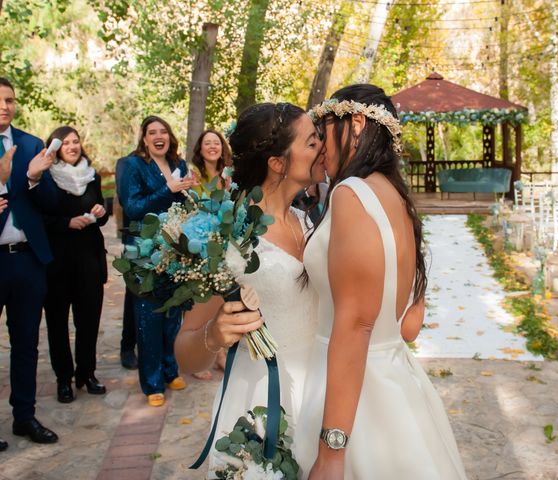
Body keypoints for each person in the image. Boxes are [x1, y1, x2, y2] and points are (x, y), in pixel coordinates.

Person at [295, 85, 468, 479]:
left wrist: (333, 452)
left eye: (324, 130)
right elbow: (407, 325)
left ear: (356, 123)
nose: (320, 144)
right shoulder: (395, 195)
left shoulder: (351, 194)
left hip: (356, 397)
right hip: (396, 381)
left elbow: (356, 324)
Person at [174, 102, 325, 476]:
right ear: (277, 162)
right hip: (262, 403)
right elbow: (186, 354)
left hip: (320, 395)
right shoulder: (228, 237)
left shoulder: (308, 221)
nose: (321, 147)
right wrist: (214, 335)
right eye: (311, 142)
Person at [120, 115, 196, 407]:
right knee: (148, 316)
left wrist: (191, 194)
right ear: (144, 138)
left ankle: (170, 368)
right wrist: (169, 190)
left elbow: (184, 202)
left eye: (163, 130)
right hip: (140, 249)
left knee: (173, 312)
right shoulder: (134, 165)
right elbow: (133, 207)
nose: (158, 136)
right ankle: (152, 382)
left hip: (174, 247)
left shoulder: (179, 165)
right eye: (152, 132)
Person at [0, 77, 59, 448]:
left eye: (9, 100)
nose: (4, 106)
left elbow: (51, 203)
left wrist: (36, 178)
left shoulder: (31, 144)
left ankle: (25, 416)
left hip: (26, 261)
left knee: (26, 343)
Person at [42, 126, 109, 404]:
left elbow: (101, 215)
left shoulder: (90, 177)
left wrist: (100, 212)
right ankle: (63, 379)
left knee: (89, 321)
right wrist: (67, 223)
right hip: (57, 263)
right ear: (55, 148)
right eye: (65, 142)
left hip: (90, 259)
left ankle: (87, 373)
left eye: (76, 141)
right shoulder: (46, 178)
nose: (72, 146)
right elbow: (40, 218)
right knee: (57, 323)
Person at [189, 129, 233, 379]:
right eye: (207, 143)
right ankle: (200, 355)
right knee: (202, 301)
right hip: (200, 241)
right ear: (201, 148)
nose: (212, 147)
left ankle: (220, 354)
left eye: (216, 143)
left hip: (224, 240)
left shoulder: (228, 174)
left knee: (223, 297)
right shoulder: (194, 174)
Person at [115, 155, 138, 370]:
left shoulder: (174, 164)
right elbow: (127, 203)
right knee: (133, 295)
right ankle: (127, 346)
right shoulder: (127, 163)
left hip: (167, 241)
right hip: (135, 242)